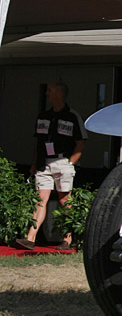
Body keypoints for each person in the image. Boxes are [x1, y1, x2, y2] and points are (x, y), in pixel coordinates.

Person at [14, 81, 87, 250]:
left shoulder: (72, 116)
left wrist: (70, 163)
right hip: (43, 163)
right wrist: (35, 163)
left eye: (50, 90)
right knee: (40, 199)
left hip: (63, 162)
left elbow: (81, 143)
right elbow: (38, 142)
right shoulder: (43, 116)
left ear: (59, 93)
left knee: (64, 200)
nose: (47, 93)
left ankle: (67, 239)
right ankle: (30, 238)